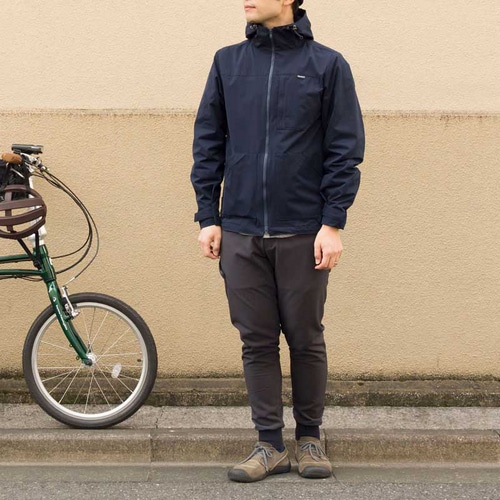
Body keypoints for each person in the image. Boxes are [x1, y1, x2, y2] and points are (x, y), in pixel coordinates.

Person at [191, 0, 364, 483]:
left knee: (306, 338)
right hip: (240, 230)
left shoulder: (327, 64)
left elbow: (344, 148)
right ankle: (269, 444)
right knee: (256, 341)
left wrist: (332, 223)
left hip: (303, 230)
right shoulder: (228, 62)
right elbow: (208, 142)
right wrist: (208, 216)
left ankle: (309, 439)